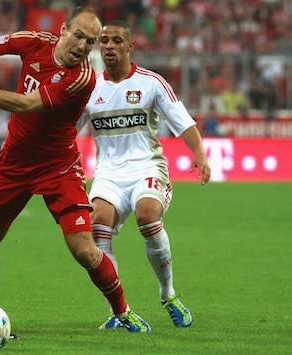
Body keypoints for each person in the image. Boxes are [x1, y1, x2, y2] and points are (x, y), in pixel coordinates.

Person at [0, 7, 151, 333]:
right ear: (63, 29)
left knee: (83, 248)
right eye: (79, 36)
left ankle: (122, 312)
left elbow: (26, 104)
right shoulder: (31, 42)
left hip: (58, 168)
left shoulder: (81, 78)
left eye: (91, 41)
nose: (83, 46)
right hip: (15, 165)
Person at [79, 21, 211, 329]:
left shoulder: (152, 82)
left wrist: (200, 154)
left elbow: (184, 122)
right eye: (104, 41)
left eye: (116, 41)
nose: (108, 46)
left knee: (147, 215)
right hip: (109, 173)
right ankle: (118, 312)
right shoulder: (90, 88)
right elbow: (66, 131)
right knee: (98, 224)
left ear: (129, 46)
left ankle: (168, 294)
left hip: (147, 167)